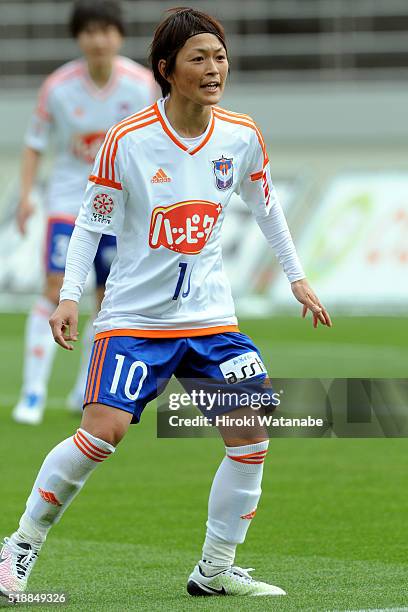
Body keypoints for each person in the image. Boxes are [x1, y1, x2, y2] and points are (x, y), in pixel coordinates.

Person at [0, 7, 332, 599]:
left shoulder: (241, 135)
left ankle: (214, 569)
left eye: (221, 56)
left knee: (251, 436)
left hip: (210, 320)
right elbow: (89, 225)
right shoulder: (127, 141)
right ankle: (18, 549)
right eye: (199, 58)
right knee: (101, 435)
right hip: (135, 318)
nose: (215, 69)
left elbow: (268, 208)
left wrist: (297, 278)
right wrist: (70, 296)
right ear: (166, 69)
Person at [12, 0, 157, 425]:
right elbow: (34, 144)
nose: (99, 40)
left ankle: (83, 389)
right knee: (55, 287)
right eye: (90, 31)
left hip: (118, 207)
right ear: (78, 37)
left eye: (106, 31)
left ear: (119, 35)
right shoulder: (58, 87)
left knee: (104, 298)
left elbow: (151, 145)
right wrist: (25, 197)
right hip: (67, 201)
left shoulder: (141, 84)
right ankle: (33, 391)